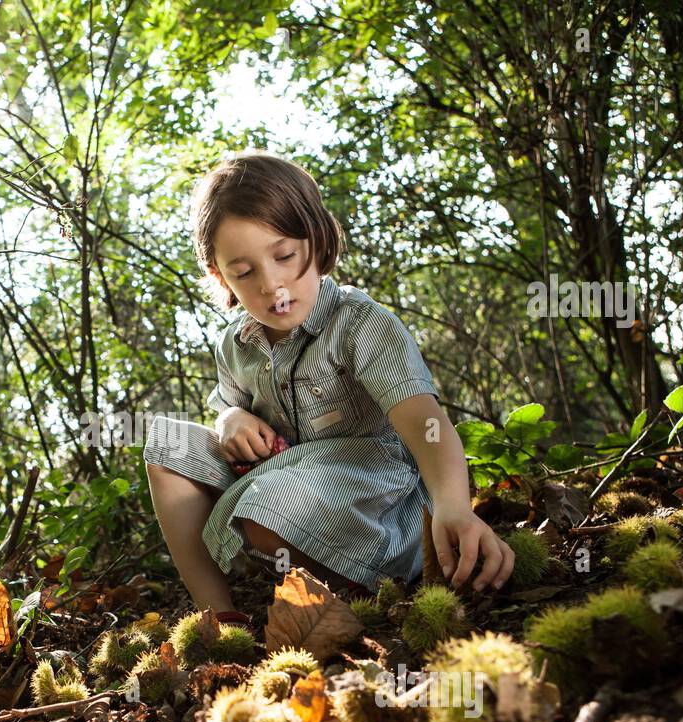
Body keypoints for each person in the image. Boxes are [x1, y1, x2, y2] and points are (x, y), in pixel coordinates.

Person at [143, 150, 514, 628]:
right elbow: (225, 406)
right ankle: (221, 619)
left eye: (283, 256)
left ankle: (366, 600)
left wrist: (454, 507)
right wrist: (230, 419)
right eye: (244, 271)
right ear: (220, 277)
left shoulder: (361, 325)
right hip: (284, 482)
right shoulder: (235, 344)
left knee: (263, 506)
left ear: (316, 241)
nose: (272, 283)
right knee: (165, 442)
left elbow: (427, 425)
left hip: (376, 497)